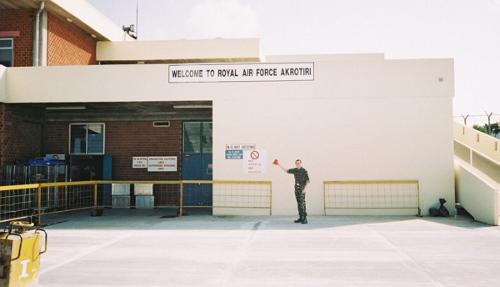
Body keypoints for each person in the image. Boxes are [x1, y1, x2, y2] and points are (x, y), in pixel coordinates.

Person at [274, 159, 310, 224]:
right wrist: (278, 164)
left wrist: (305, 189)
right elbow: (287, 171)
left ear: (301, 163)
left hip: (302, 189)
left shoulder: (304, 171)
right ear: (295, 164)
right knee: (299, 204)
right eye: (296, 163)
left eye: (299, 163)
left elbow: (307, 181)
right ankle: (301, 218)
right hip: (297, 189)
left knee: (302, 204)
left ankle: (305, 219)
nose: (297, 164)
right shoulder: (295, 170)